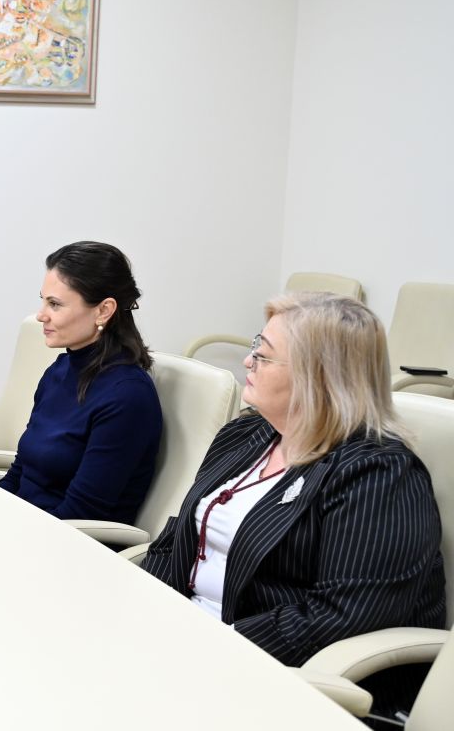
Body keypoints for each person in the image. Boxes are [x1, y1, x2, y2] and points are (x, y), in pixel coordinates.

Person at [141, 293, 445, 686]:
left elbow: (342, 616)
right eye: (256, 346)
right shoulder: (245, 434)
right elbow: (176, 540)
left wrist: (209, 648)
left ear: (318, 376)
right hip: (192, 642)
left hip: (279, 673)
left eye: (264, 355)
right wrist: (147, 614)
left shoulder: (377, 474)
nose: (248, 361)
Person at [0, 242, 162, 523]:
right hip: (24, 524)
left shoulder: (128, 397)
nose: (41, 315)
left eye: (55, 304)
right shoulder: (59, 371)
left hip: (66, 540)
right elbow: (20, 472)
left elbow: (80, 515)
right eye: (43, 301)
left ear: (103, 310)